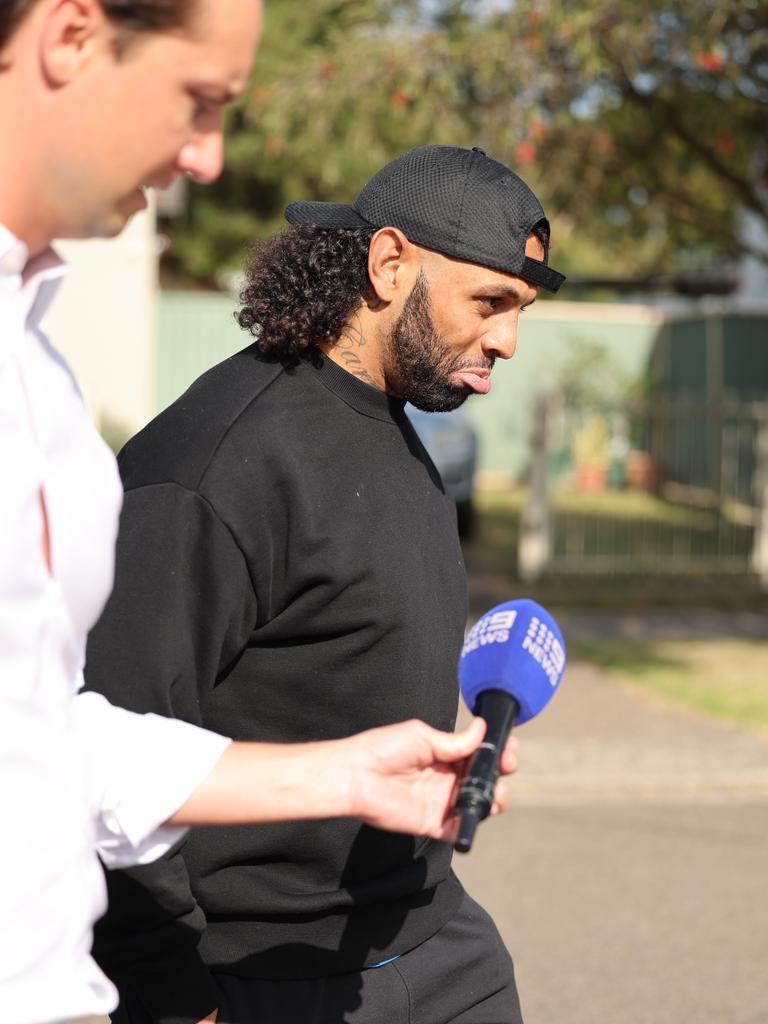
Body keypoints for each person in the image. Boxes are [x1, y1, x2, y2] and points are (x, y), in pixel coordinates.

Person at [0, 3, 517, 1021]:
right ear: (69, 37)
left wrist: (346, 774)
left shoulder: (40, 378)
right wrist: (175, 989)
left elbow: (53, 737)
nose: (207, 158)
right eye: (200, 101)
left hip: (420, 942)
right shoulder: (212, 461)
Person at [83, 144, 566, 1024]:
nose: (506, 338)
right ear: (390, 263)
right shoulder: (213, 466)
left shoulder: (390, 418)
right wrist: (177, 997)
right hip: (257, 975)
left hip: (441, 948)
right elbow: (99, 746)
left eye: (519, 308)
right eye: (490, 302)